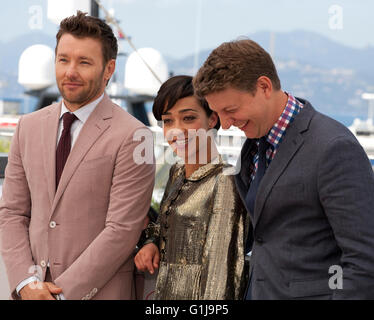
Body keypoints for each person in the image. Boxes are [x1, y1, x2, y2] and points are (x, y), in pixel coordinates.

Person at [193, 39, 374, 299]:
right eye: (218, 113)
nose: (226, 123)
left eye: (231, 110)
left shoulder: (334, 147)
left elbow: (365, 260)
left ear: (264, 86)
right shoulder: (253, 144)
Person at [0, 11, 155, 300]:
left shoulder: (135, 135)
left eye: (84, 62)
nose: (70, 71)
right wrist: (25, 283)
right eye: (63, 59)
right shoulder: (27, 127)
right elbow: (12, 212)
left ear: (108, 69)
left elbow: (122, 230)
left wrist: (59, 294)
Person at [134, 75, 247, 300]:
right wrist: (150, 242)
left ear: (212, 119)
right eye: (168, 121)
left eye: (188, 118)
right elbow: (161, 225)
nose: (176, 130)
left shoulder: (225, 181)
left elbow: (220, 275)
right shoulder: (177, 172)